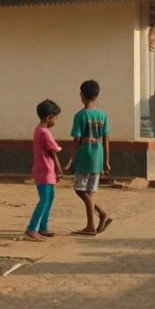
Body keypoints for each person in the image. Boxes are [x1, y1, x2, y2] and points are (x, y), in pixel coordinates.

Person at [63, 80, 112, 236]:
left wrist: (71, 158)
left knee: (79, 189)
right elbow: (106, 139)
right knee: (90, 191)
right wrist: (106, 161)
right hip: (98, 156)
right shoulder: (102, 115)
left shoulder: (79, 116)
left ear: (81, 95)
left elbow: (76, 139)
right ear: (97, 96)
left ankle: (95, 220)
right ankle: (95, 219)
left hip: (84, 156)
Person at [25, 99, 63, 242]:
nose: (56, 120)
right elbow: (53, 151)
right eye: (56, 117)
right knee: (44, 200)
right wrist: (59, 168)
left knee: (49, 198)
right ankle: (32, 228)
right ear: (49, 117)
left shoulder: (38, 130)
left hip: (44, 170)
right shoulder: (45, 132)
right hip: (45, 171)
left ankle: (43, 227)